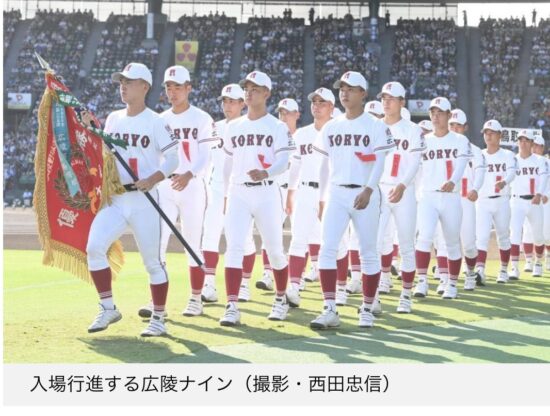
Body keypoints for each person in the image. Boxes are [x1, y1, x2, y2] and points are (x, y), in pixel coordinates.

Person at [85, 62, 179, 337]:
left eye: (129, 81)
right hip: (116, 198)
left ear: (145, 86)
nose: (123, 86)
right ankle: (107, 307)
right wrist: (93, 130)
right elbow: (106, 153)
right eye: (121, 82)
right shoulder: (114, 118)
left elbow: (173, 159)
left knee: (153, 263)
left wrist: (154, 178)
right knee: (94, 247)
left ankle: (158, 318)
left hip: (144, 199)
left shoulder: (156, 121)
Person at [310, 71, 395, 329]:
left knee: (368, 251)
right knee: (327, 249)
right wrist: (322, 197)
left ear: (363, 93)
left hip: (364, 192)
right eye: (342, 88)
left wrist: (369, 189)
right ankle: (329, 308)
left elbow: (380, 162)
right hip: (336, 192)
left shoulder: (376, 125)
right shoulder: (331, 126)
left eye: (350, 88)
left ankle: (367, 308)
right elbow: (324, 166)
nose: (344, 93)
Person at [136, 65, 216, 318]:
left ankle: (196, 298)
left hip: (192, 185)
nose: (172, 92)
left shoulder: (202, 118)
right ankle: (155, 300)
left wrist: (189, 174)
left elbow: (206, 155)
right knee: (158, 243)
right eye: (169, 87)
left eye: (178, 87)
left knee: (192, 243)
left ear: (188, 88)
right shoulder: (160, 120)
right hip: (165, 186)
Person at [219, 71, 295, 326]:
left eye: (255, 89)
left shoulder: (277, 126)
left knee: (274, 250)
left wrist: (267, 171)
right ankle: (231, 305)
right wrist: (226, 194)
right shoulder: (233, 127)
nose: (249, 93)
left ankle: (281, 298)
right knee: (233, 248)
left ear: (266, 93)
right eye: (247, 88)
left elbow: (284, 162)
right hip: (239, 191)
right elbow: (227, 165)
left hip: (267, 191)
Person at [201, 84, 258, 303]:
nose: (227, 105)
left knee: (244, 240)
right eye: (224, 101)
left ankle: (244, 284)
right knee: (210, 236)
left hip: (240, 189)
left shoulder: (251, 127)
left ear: (242, 103)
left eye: (232, 101)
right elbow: (206, 160)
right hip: (215, 189)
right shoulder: (214, 128)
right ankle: (209, 284)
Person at [413, 97, 472, 300]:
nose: (435, 116)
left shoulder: (460, 140)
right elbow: (415, 168)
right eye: (433, 113)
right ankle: (422, 281)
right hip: (428, 196)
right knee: (424, 238)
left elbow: (461, 165)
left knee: (452, 242)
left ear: (449, 115)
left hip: (451, 197)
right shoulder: (423, 140)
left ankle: (452, 284)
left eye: (440, 113)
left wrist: (453, 181)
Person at [376, 81, 425, 313]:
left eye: (391, 99)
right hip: (379, 189)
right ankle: (372, 296)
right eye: (384, 98)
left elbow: (415, 162)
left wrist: (403, 185)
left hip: (404, 191)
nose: (386, 102)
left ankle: (406, 295)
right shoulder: (374, 126)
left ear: (402, 102)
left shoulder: (412, 129)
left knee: (406, 244)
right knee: (374, 244)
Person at [286, 88, 334, 307]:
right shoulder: (302, 134)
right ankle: (294, 287)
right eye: (314, 102)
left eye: (322, 102)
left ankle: (338, 289)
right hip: (305, 191)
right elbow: (295, 167)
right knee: (298, 240)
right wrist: (290, 193)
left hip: (331, 192)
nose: (316, 106)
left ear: (331, 107)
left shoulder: (338, 131)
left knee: (334, 243)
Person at [474, 120, 517, 285]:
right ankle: (480, 270)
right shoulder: (479, 154)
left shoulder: (507, 155)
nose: (488, 135)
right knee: (482, 237)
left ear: (500, 135)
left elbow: (512, 173)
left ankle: (504, 270)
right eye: (486, 132)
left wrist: (504, 181)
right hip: (483, 201)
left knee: (503, 236)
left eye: (492, 132)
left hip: (502, 200)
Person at [509, 129, 549, 281]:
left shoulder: (540, 160)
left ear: (532, 143)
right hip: (517, 201)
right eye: (521, 140)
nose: (523, 143)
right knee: (515, 234)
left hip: (534, 201)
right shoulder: (512, 160)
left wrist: (539, 193)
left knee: (538, 235)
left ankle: (538, 262)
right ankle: (514, 267)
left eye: (526, 140)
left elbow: (544, 179)